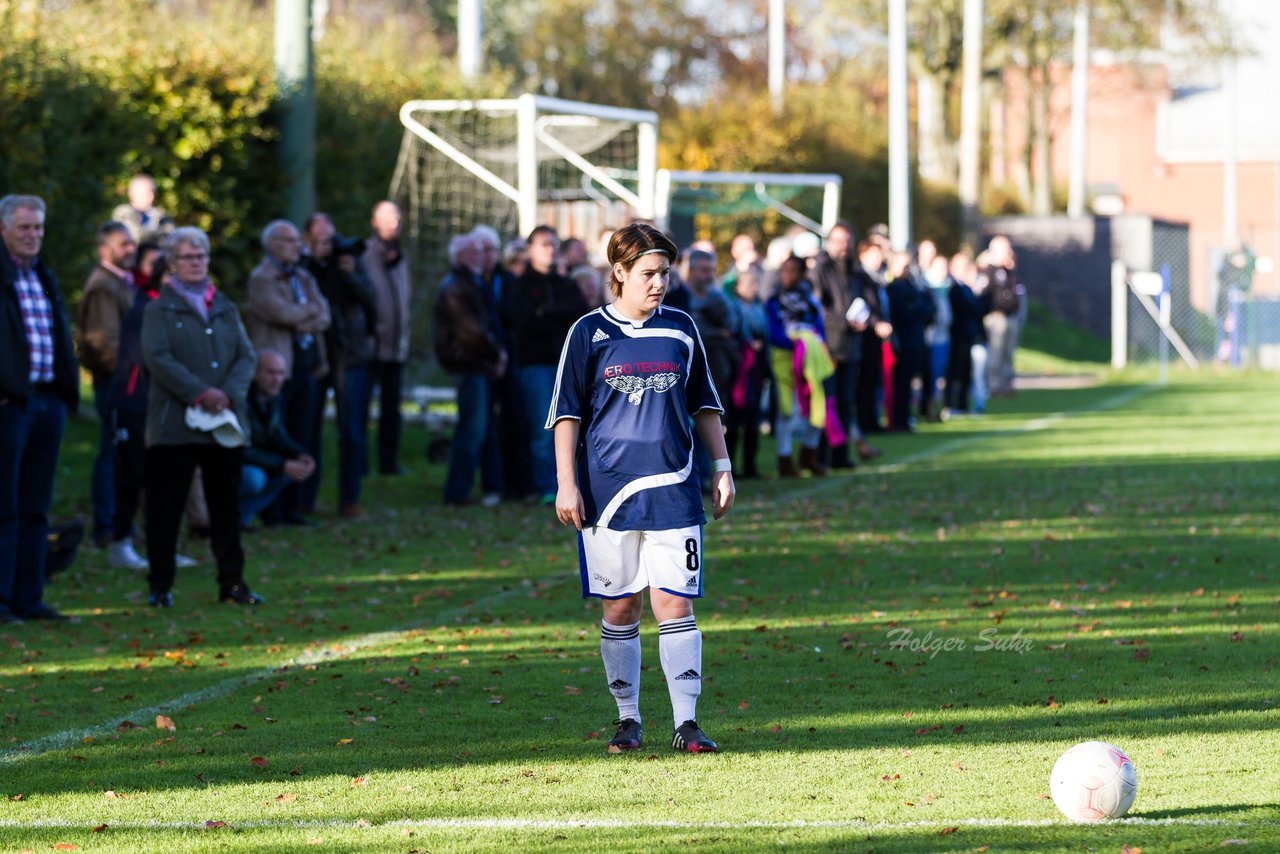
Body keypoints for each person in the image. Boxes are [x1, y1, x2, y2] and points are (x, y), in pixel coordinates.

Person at [548, 222, 733, 754]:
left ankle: (687, 723)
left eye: (665, 274)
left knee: (674, 604)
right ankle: (627, 718)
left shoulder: (681, 328)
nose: (659, 284)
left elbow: (705, 403)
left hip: (675, 488)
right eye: (649, 274)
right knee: (620, 607)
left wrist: (721, 466)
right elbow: (567, 414)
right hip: (606, 493)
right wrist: (566, 483)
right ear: (620, 273)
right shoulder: (587, 332)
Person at [140, 226, 261, 607]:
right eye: (188, 257)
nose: (196, 263)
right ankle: (160, 585)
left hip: (223, 424)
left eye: (201, 256)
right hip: (175, 424)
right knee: (166, 507)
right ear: (173, 263)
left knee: (225, 504)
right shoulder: (159, 308)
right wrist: (199, 392)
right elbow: (158, 358)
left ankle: (232, 582)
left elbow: (247, 356)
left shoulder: (223, 305)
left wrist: (228, 395)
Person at [0, 194, 80, 623]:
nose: (33, 236)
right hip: (11, 404)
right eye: (24, 228)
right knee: (5, 507)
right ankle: (3, 600)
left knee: (35, 506)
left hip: (47, 401)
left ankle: (29, 599)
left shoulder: (42, 275)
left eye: (38, 228)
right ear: (4, 229)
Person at [245, 220, 330, 523]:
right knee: (275, 437)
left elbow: (325, 314)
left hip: (308, 366)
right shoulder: (261, 279)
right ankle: (272, 509)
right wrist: (306, 312)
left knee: (303, 435)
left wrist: (302, 316)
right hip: (276, 369)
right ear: (274, 244)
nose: (299, 247)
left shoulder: (304, 277)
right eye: (292, 241)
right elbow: (280, 313)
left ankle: (297, 505)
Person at [502, 225, 587, 504]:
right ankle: (547, 487)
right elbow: (523, 320)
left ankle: (574, 483)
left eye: (554, 244)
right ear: (530, 250)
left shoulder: (566, 284)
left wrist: (546, 313)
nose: (550, 250)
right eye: (544, 244)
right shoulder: (519, 286)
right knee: (543, 428)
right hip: (535, 364)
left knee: (573, 424)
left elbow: (579, 315)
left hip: (566, 365)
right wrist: (552, 317)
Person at [302, 213, 378, 518]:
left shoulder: (349, 262)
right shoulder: (304, 267)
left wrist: (350, 274)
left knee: (352, 430)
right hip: (318, 355)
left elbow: (371, 298)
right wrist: (314, 264)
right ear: (308, 239)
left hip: (351, 354)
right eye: (321, 240)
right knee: (309, 430)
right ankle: (304, 499)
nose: (329, 246)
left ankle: (350, 499)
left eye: (331, 238)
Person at [76, 221, 138, 547]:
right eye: (122, 244)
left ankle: (118, 522)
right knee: (111, 452)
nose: (131, 249)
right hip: (115, 384)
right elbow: (106, 343)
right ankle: (107, 525)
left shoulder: (120, 283)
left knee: (120, 451)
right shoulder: (104, 286)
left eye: (131, 243)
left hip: (124, 383)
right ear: (104, 250)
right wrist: (133, 379)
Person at [435, 234, 506, 506]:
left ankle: (478, 487)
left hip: (479, 365)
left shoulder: (472, 284)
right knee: (472, 429)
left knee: (481, 427)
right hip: (469, 365)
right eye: (473, 252)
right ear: (460, 256)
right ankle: (457, 492)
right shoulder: (456, 287)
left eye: (481, 251)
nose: (480, 257)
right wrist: (495, 352)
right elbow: (470, 332)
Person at [810, 222, 879, 467]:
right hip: (827, 347)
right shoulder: (820, 269)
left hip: (851, 347)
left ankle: (840, 456)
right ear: (829, 242)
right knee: (826, 404)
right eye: (839, 241)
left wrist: (868, 320)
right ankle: (819, 456)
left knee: (845, 403)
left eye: (847, 241)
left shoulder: (856, 272)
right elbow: (818, 308)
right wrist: (845, 322)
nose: (844, 246)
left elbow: (869, 302)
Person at [474, 225, 532, 501]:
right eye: (483, 250)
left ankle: (516, 484)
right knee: (484, 424)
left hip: (511, 360)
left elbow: (516, 318)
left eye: (491, 250)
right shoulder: (470, 282)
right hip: (481, 361)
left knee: (515, 421)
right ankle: (492, 485)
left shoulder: (507, 280)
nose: (488, 255)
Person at [765, 255, 827, 477]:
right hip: (784, 360)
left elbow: (819, 327)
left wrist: (811, 341)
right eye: (784, 270)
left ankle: (809, 454)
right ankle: (785, 459)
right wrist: (793, 340)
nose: (787, 275)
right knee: (787, 410)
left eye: (793, 271)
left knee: (817, 407)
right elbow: (772, 331)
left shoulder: (810, 301)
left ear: (802, 274)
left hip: (809, 359)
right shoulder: (774, 301)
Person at [362, 200, 412, 475]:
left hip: (397, 347)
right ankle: (360, 464)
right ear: (374, 223)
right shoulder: (367, 255)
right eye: (387, 218)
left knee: (392, 409)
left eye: (396, 218)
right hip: (373, 346)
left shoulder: (401, 256)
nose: (393, 224)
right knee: (364, 408)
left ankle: (388, 462)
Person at [240, 350, 316, 527]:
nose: (277, 379)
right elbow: (240, 449)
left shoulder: (272, 399)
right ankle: (231, 517)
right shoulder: (240, 400)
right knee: (254, 478)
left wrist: (300, 455)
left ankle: (241, 517)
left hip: (257, 461)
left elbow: (277, 436)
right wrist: (282, 464)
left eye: (281, 373)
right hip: (236, 465)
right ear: (255, 373)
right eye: (271, 372)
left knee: (296, 470)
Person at [724, 268, 768, 478]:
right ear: (738, 286)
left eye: (755, 282)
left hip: (756, 369)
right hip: (739, 369)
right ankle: (730, 467)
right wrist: (748, 345)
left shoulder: (759, 307)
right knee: (734, 419)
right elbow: (732, 334)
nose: (754, 287)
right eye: (749, 283)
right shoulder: (733, 308)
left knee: (753, 419)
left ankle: (750, 466)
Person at [886, 248, 936, 431]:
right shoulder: (894, 288)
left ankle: (906, 417)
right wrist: (916, 309)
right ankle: (898, 419)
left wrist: (917, 309)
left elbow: (927, 308)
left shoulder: (914, 286)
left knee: (909, 383)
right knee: (901, 383)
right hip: (903, 341)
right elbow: (905, 313)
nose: (907, 270)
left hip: (916, 339)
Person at [852, 239, 893, 434]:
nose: (879, 259)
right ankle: (864, 421)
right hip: (865, 336)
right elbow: (861, 305)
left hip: (876, 337)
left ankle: (872, 420)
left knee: (873, 379)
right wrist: (874, 324)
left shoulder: (877, 278)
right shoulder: (860, 278)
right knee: (865, 381)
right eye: (875, 255)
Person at [977, 235, 1022, 398]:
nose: (1009, 253)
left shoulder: (1008, 271)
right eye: (1006, 249)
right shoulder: (988, 270)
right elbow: (982, 294)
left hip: (1010, 317)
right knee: (996, 354)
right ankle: (994, 386)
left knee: (1007, 354)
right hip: (996, 318)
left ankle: (1006, 385)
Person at [946, 252, 984, 413]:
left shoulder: (966, 287)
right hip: (956, 334)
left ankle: (962, 403)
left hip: (967, 335)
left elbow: (978, 307)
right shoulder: (953, 287)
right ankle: (950, 404)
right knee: (954, 370)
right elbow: (966, 308)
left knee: (965, 370)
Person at [111, 174, 173, 244]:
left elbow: (171, 237)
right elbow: (135, 236)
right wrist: (160, 233)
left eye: (153, 192)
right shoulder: (123, 212)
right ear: (132, 194)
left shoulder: (160, 214)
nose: (152, 196)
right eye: (146, 192)